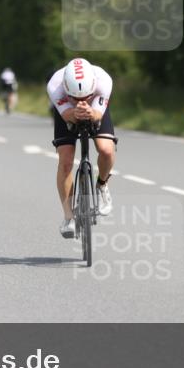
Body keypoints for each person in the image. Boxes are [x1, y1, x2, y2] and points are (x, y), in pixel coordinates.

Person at [47, 58, 115, 238]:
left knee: (106, 150)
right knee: (66, 160)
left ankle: (102, 185)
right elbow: (67, 114)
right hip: (66, 111)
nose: (80, 101)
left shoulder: (103, 81)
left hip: (95, 107)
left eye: (85, 97)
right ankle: (69, 217)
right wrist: (72, 112)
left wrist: (92, 112)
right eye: (76, 98)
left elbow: (99, 113)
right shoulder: (55, 85)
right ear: (66, 89)